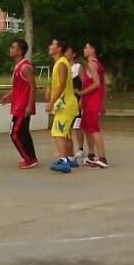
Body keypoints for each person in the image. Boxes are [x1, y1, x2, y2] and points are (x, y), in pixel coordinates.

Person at [0, 39, 38, 168]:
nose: (10, 49)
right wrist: (8, 96)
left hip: (22, 106)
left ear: (20, 51)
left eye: (13, 47)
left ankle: (29, 159)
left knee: (15, 133)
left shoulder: (25, 67)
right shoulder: (18, 66)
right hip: (19, 104)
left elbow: (33, 86)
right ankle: (32, 158)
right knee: (24, 133)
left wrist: (29, 105)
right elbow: (18, 87)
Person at [45, 37, 80, 173]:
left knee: (58, 131)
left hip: (65, 105)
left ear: (59, 48)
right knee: (65, 133)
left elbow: (62, 85)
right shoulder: (61, 62)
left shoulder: (61, 63)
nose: (50, 46)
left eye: (53, 44)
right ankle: (70, 158)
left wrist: (51, 102)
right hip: (66, 104)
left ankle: (63, 160)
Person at [77, 39, 108, 167]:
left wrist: (81, 93)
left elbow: (97, 83)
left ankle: (102, 159)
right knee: (86, 128)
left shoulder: (92, 64)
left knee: (94, 130)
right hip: (89, 101)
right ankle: (91, 155)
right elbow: (103, 85)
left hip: (92, 102)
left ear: (92, 50)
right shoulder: (96, 65)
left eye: (86, 47)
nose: (84, 50)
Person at [65, 44, 86, 159]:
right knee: (66, 126)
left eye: (68, 51)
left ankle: (80, 149)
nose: (65, 53)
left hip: (77, 99)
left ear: (73, 54)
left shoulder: (78, 67)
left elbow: (84, 84)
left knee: (77, 126)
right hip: (67, 100)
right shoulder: (63, 66)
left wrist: (82, 98)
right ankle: (67, 149)